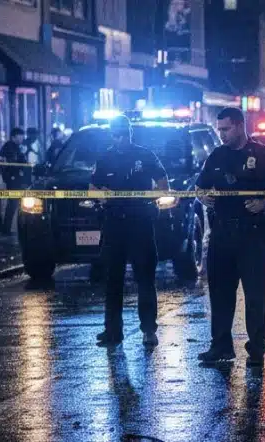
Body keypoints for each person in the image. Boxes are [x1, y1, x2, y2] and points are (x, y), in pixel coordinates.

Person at [195, 107, 265, 364]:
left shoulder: (262, 154)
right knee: (220, 293)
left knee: (255, 295)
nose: (221, 134)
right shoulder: (216, 155)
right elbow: (199, 188)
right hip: (222, 233)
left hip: (253, 235)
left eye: (225, 129)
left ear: (239, 126)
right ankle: (221, 346)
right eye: (219, 129)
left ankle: (257, 350)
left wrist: (263, 204)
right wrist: (206, 198)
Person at [91, 115, 169, 347]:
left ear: (130, 133)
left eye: (123, 134)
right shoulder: (105, 157)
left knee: (145, 278)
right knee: (112, 280)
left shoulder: (145, 155)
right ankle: (113, 332)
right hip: (114, 224)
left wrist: (153, 197)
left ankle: (148, 330)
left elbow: (164, 183)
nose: (120, 139)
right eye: (116, 135)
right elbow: (92, 187)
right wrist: (102, 196)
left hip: (141, 224)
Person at [0, 128, 31, 235]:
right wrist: (10, 177)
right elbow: (8, 165)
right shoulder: (8, 147)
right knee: (12, 204)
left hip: (18, 179)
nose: (22, 138)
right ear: (14, 136)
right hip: (13, 179)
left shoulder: (17, 147)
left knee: (18, 204)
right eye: (20, 136)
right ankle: (6, 229)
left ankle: (13, 228)